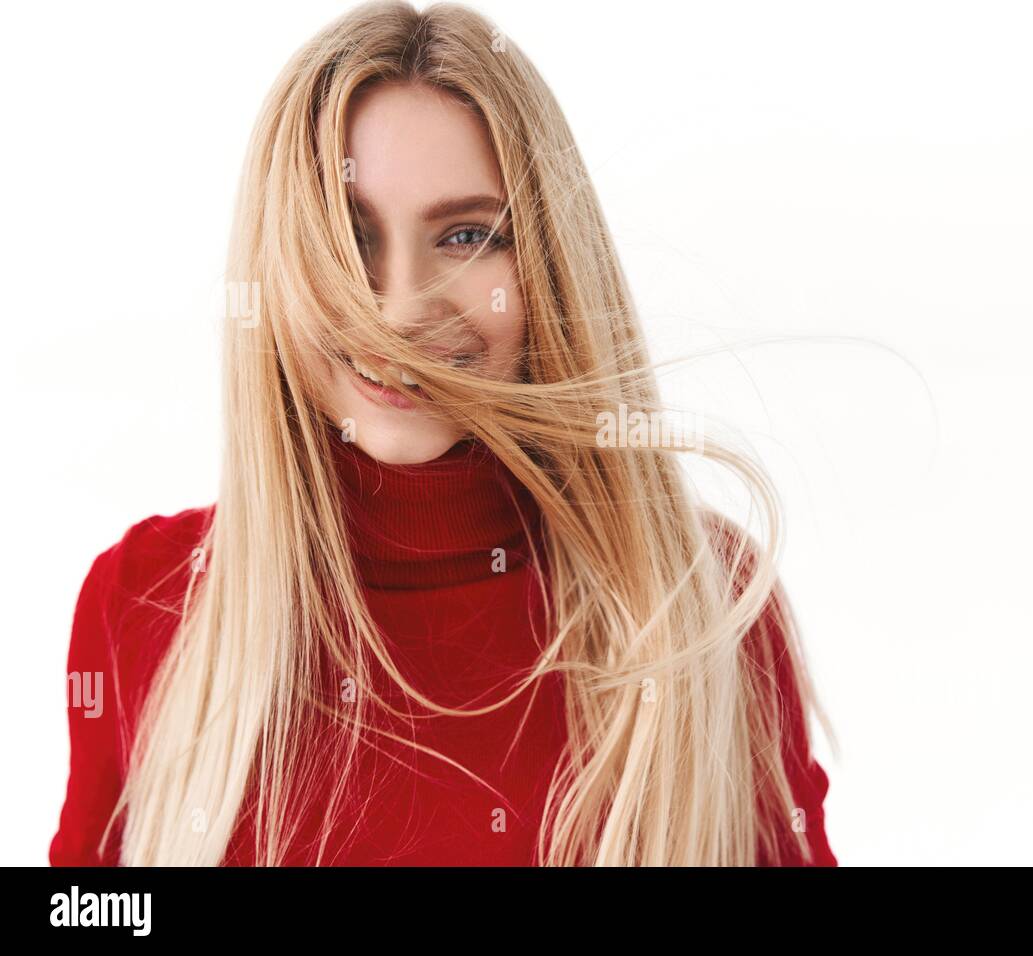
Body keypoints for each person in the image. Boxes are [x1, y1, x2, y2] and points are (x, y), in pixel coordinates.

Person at [50, 0, 837, 866]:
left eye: (467, 236)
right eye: (347, 238)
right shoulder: (143, 603)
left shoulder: (703, 603)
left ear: (548, 265)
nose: (399, 310)